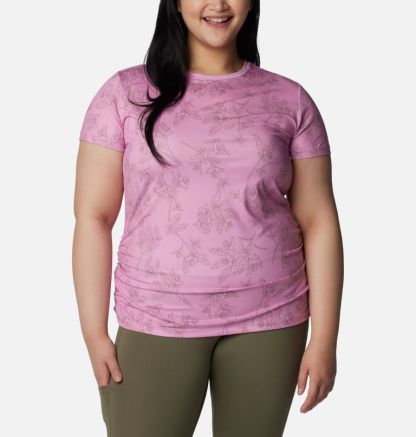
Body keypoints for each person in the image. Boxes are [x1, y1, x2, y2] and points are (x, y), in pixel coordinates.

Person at [72, 0, 343, 436]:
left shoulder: (290, 100)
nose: (217, 4)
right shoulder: (123, 94)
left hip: (272, 319)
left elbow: (319, 219)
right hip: (156, 317)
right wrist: (94, 332)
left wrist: (325, 340)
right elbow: (93, 217)